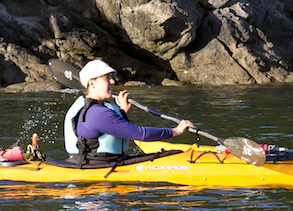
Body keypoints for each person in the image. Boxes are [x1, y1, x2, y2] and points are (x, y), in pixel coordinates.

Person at [63, 59, 194, 164]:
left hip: (101, 162)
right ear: (92, 84)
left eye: (112, 77)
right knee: (170, 154)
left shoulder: (91, 107)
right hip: (99, 167)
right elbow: (140, 134)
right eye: (106, 78)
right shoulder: (97, 113)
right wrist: (175, 131)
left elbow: (112, 127)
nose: (113, 81)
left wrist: (122, 113)